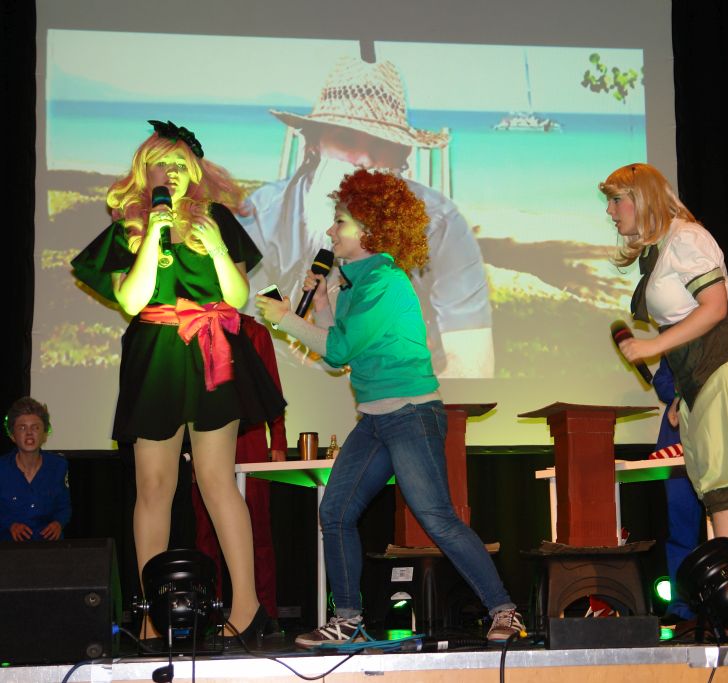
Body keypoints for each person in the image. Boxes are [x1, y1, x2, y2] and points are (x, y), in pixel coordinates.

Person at [256, 168, 522, 645]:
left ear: (371, 230)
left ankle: (505, 610)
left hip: (410, 415)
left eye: (341, 221)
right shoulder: (355, 284)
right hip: (377, 418)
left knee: (437, 518)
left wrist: (285, 319)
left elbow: (339, 349)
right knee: (335, 513)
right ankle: (348, 620)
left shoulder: (385, 280)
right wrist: (320, 303)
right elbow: (337, 351)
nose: (331, 231)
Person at [71, 120, 286, 643]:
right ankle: (151, 614)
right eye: (159, 165)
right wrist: (154, 234)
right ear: (143, 173)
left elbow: (237, 297)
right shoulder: (128, 229)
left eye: (178, 164)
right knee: (154, 487)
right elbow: (132, 300)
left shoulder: (218, 221)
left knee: (217, 480)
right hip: (157, 357)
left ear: (193, 171)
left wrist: (216, 249)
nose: (169, 172)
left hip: (213, 352)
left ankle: (247, 607)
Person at [242, 54, 493, 378]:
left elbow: (470, 361)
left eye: (381, 143)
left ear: (402, 154)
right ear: (315, 143)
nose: (363, 159)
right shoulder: (263, 214)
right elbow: (248, 313)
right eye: (346, 138)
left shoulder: (440, 224)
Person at [603, 163, 728, 561]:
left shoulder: (687, 238)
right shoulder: (662, 248)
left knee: (726, 486)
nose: (610, 211)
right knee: (713, 485)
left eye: (616, 200)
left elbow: (714, 307)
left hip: (721, 363)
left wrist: (653, 346)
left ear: (642, 198)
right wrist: (681, 391)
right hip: (698, 375)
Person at [191, 313, 287, 631]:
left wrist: (278, 439)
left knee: (257, 527)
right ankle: (212, 613)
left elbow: (271, 386)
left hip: (249, 437)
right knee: (206, 531)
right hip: (206, 436)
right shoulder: (191, 326)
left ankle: (264, 612)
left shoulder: (255, 332)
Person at [649, 359, 703, 627]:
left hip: (714, 428)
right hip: (676, 438)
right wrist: (680, 393)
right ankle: (681, 605)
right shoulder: (672, 341)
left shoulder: (721, 338)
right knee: (680, 526)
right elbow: (661, 382)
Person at [1, 398, 70, 542]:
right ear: (12, 435)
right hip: (8, 548)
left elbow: (64, 507)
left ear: (44, 434)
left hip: (48, 547)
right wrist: (10, 525)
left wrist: (58, 523)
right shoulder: (2, 468)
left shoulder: (58, 466)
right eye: (22, 428)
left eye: (35, 427)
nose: (29, 433)